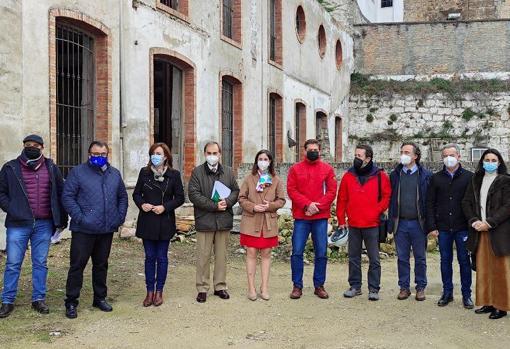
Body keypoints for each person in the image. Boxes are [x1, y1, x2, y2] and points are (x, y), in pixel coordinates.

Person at [0, 135, 67, 318]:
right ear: (23, 146)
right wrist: (12, 209)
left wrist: (62, 221)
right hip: (18, 224)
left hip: (44, 224)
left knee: (40, 263)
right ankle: (7, 301)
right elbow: (1, 193)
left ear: (42, 147)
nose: (31, 147)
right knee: (13, 263)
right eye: (28, 145)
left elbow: (60, 193)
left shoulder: (51, 168)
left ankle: (38, 299)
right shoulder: (10, 168)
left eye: (35, 145)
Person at [62, 141, 128, 319]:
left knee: (101, 265)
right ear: (89, 154)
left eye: (103, 154)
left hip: (106, 229)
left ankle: (99, 298)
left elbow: (122, 197)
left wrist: (119, 217)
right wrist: (81, 218)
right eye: (95, 154)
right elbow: (68, 197)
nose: (99, 157)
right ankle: (71, 301)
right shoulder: (78, 172)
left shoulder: (114, 174)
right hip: (83, 230)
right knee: (77, 266)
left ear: (108, 154)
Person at [132, 142, 185, 307]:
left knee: (162, 258)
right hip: (147, 221)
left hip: (165, 221)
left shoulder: (174, 175)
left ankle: (159, 291)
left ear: (166, 157)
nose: (156, 156)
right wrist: (142, 204)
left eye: (159, 153)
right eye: (154, 153)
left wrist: (165, 207)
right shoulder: (144, 172)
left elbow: (180, 197)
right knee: (149, 258)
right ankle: (149, 292)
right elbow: (136, 194)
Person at [337, 144, 390, 301]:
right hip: (353, 224)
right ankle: (355, 286)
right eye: (356, 155)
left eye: (359, 156)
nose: (356, 158)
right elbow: (342, 199)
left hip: (372, 224)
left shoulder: (380, 176)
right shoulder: (348, 176)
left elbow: (386, 196)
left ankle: (374, 288)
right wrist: (341, 219)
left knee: (374, 258)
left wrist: (377, 211)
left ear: (368, 158)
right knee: (353, 257)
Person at [188, 141, 240, 303]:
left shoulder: (229, 172)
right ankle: (202, 288)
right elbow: (194, 195)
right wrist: (213, 206)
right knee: (203, 256)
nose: (212, 156)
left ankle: (220, 286)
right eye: (209, 153)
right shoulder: (197, 172)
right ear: (205, 154)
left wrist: (228, 202)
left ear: (220, 154)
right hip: (205, 220)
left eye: (215, 153)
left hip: (223, 220)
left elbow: (235, 190)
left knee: (221, 256)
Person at [462, 148, 510, 320]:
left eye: (493, 160)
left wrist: (489, 223)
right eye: (487, 159)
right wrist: (474, 221)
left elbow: (507, 206)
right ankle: (488, 302)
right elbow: (466, 202)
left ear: (499, 162)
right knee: (483, 269)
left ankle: (501, 306)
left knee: (500, 270)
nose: (490, 163)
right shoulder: (476, 180)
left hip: (499, 232)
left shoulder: (505, 181)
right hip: (478, 231)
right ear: (482, 162)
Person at [287, 139, 337, 300]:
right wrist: (307, 205)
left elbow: (331, 191)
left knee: (321, 252)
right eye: (311, 149)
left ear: (319, 151)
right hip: (301, 216)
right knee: (297, 252)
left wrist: (317, 207)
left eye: (316, 149)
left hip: (320, 217)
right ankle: (297, 286)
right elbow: (291, 190)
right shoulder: (295, 169)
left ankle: (319, 285)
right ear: (304, 150)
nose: (313, 151)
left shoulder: (327, 169)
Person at [427, 144, 473, 308]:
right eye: (445, 155)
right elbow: (430, 203)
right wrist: (432, 226)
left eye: (452, 155)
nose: (449, 158)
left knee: (464, 261)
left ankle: (466, 295)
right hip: (443, 228)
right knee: (445, 261)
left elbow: (472, 203)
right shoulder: (436, 178)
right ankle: (447, 293)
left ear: (459, 156)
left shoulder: (469, 177)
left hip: (463, 227)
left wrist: (472, 225)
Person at [238, 150, 285, 301]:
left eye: (266, 159)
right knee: (251, 253)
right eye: (260, 159)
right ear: (256, 161)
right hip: (251, 221)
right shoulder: (248, 179)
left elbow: (281, 200)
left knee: (266, 254)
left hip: (268, 223)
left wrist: (270, 205)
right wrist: (253, 206)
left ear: (270, 162)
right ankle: (251, 287)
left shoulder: (276, 180)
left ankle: (264, 287)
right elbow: (241, 198)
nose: (263, 161)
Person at [388, 142, 432, 301]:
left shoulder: (425, 175)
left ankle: (420, 287)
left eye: (406, 152)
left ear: (415, 156)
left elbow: (429, 201)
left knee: (420, 257)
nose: (403, 155)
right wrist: (390, 223)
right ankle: (404, 287)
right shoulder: (395, 175)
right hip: (400, 223)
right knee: (402, 257)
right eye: (401, 152)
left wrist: (431, 224)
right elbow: (390, 199)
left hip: (419, 223)